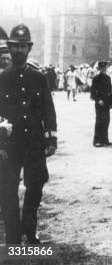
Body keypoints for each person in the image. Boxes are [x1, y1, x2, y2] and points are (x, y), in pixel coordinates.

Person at [0, 24, 57, 244]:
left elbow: (48, 110)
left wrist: (51, 138)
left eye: (23, 46)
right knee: (7, 189)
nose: (19, 51)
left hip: (34, 142)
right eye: (15, 46)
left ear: (29, 49)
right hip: (10, 144)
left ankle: (30, 230)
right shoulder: (2, 79)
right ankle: (13, 237)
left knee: (36, 184)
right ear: (10, 48)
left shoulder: (39, 78)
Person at [90, 61, 112, 147]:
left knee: (106, 121)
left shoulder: (108, 78)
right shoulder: (96, 78)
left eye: (105, 68)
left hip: (106, 101)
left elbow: (110, 91)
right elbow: (93, 92)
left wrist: (111, 102)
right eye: (102, 68)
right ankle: (97, 141)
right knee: (99, 121)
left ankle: (105, 140)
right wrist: (98, 100)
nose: (104, 69)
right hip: (100, 102)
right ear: (99, 69)